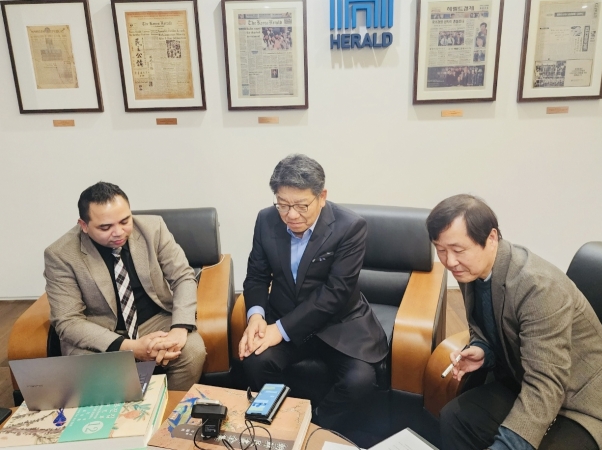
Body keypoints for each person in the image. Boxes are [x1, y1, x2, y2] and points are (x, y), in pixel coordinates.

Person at [426, 194, 602, 450]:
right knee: (457, 418)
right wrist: (483, 351)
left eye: (458, 250)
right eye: (441, 250)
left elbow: (547, 383)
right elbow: (487, 325)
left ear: (491, 238)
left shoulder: (537, 287)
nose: (449, 261)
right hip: (527, 377)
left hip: (588, 406)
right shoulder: (469, 269)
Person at [239, 154, 388, 430]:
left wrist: (279, 329)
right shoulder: (266, 220)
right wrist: (256, 317)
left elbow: (336, 293)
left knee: (359, 381)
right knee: (254, 363)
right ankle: (286, 422)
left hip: (338, 323)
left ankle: (314, 426)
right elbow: (257, 275)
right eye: (283, 204)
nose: (291, 215)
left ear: (322, 196)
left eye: (300, 205)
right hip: (284, 315)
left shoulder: (350, 227)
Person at [44, 182, 206, 390]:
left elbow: (183, 276)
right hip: (100, 331)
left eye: (124, 221)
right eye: (105, 227)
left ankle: (168, 412)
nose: (119, 232)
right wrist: (130, 347)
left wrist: (180, 328)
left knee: (192, 351)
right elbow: (67, 321)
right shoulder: (61, 255)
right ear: (83, 225)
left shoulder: (153, 228)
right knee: (88, 367)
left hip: (154, 321)